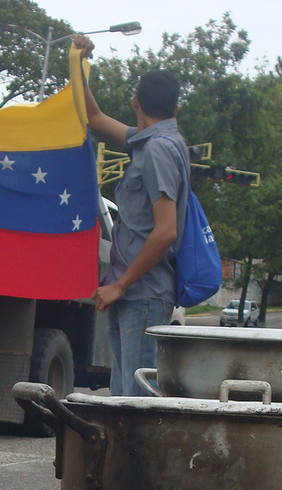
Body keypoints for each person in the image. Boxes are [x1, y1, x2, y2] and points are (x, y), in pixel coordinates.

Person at [73, 34, 186, 396]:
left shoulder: (159, 150)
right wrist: (77, 63)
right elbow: (93, 116)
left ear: (135, 101)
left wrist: (120, 285)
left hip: (143, 294)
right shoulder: (146, 141)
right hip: (131, 293)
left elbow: (166, 231)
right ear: (176, 108)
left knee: (135, 405)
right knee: (123, 398)